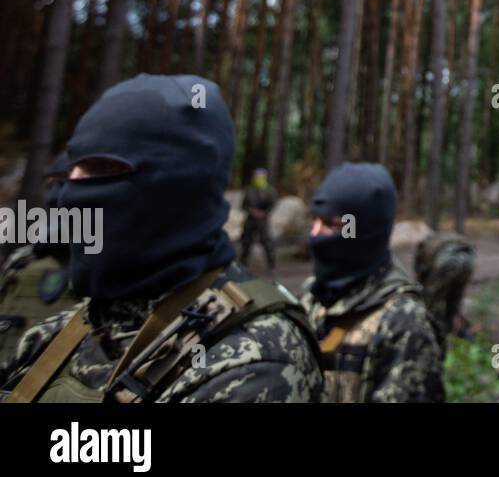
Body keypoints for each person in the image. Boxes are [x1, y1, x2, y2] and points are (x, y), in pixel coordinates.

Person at [0, 74, 323, 403]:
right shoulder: (75, 325)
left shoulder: (257, 359)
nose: (68, 195)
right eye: (71, 171)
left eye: (101, 169)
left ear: (178, 186)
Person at [300, 162, 443, 402]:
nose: (315, 234)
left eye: (330, 225)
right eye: (314, 220)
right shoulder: (311, 297)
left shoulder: (402, 323)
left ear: (363, 229)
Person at [0, 152, 80, 365]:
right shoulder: (23, 262)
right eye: (50, 184)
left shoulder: (111, 269)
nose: (55, 195)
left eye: (64, 183)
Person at [239, 167, 277, 270]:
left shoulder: (270, 190)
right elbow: (243, 205)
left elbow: (273, 205)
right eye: (256, 176)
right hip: (250, 219)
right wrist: (251, 211)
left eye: (260, 177)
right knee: (246, 242)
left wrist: (263, 213)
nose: (258, 179)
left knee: (267, 241)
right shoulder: (249, 190)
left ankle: (271, 264)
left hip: (263, 220)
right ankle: (242, 263)